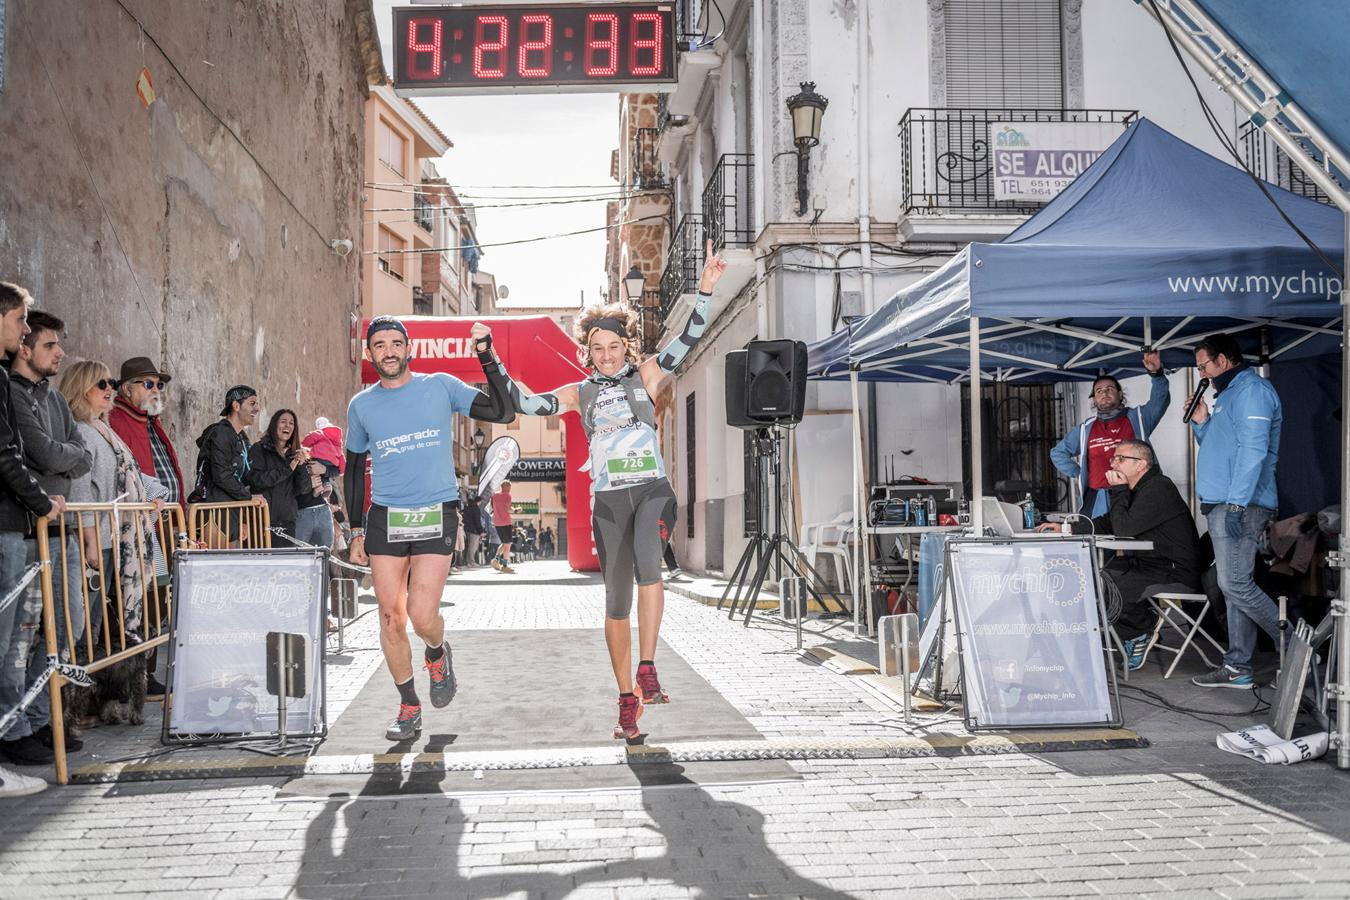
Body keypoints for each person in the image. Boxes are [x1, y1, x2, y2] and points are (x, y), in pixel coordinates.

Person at [479, 239, 726, 740]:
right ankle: (626, 701)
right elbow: (523, 402)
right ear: (586, 351)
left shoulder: (648, 375)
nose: (608, 356)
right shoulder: (579, 394)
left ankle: (649, 666)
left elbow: (689, 337)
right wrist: (490, 360)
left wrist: (703, 290)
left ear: (626, 347)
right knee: (616, 601)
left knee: (650, 568)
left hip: (652, 490)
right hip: (608, 502)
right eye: (598, 348)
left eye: (615, 347)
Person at [343, 315, 515, 741]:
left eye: (395, 343)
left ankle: (437, 654)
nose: (388, 351)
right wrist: (356, 532)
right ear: (370, 354)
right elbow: (350, 472)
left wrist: (486, 356)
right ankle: (408, 705)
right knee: (389, 618)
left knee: (421, 616)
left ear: (409, 348)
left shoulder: (439, 385)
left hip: (435, 512)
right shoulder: (361, 405)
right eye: (379, 344)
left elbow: (502, 409)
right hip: (385, 515)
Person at [6, 309, 91, 756]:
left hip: (65, 532)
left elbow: (82, 456)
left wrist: (62, 453)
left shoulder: (54, 398)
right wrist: (63, 454)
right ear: (25, 348)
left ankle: (40, 717)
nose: (59, 352)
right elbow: (39, 452)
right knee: (24, 633)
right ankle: (17, 725)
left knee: (68, 627)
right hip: (31, 531)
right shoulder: (13, 394)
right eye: (49, 345)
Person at [1038, 439, 1200, 669]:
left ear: (1141, 464)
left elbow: (1124, 527)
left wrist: (1119, 490)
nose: (1113, 463)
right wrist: (1068, 528)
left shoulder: (1158, 487)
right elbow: (1110, 522)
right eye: (1114, 458)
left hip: (1174, 571)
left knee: (1111, 584)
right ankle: (1132, 625)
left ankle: (1139, 631)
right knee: (1093, 577)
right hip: (1149, 565)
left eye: (1121, 459)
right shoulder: (1139, 489)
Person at [1186, 334, 1283, 689]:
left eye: (1204, 366)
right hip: (1222, 501)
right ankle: (1238, 666)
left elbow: (1254, 451)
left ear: (1224, 360)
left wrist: (1238, 502)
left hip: (1240, 503)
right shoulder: (1227, 396)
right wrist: (1201, 421)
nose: (1201, 373)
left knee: (1235, 583)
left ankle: (1302, 649)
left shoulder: (1252, 392)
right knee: (1233, 587)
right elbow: (1221, 446)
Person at [0, 283, 63, 779]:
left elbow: (72, 449)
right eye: (21, 321)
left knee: (30, 636)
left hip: (23, 525)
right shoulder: (7, 385)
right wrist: (43, 501)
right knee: (9, 640)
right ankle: (11, 734)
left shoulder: (40, 393)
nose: (23, 330)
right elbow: (20, 456)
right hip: (14, 524)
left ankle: (30, 725)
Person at [62, 360, 168, 652]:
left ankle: (94, 686)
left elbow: (128, 476)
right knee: (86, 622)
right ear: (82, 389)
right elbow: (81, 488)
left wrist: (148, 501)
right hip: (97, 538)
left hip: (113, 537)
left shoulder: (102, 428)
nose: (110, 389)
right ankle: (80, 689)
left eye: (111, 383)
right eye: (102, 384)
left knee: (99, 622)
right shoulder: (82, 432)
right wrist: (91, 542)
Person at [1050, 352, 1170, 518]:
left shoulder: (1139, 418)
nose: (1104, 393)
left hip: (1135, 495)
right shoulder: (1086, 428)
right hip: (1098, 499)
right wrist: (1080, 472)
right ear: (1094, 400)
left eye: (1109, 389)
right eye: (1098, 391)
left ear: (1121, 395)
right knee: (1098, 542)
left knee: (1135, 542)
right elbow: (1057, 453)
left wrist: (1156, 374)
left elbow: (1160, 400)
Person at [190, 385, 264, 547]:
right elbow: (221, 475)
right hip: (214, 511)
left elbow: (243, 478)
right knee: (216, 569)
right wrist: (248, 497)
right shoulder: (221, 433)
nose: (257, 408)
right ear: (236, 406)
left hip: (231, 512)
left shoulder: (240, 438)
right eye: (252, 403)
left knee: (229, 569)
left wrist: (243, 518)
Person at [109, 357, 185, 511]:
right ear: (127, 389)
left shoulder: (152, 421)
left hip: (167, 522)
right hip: (142, 522)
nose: (156, 390)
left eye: (159, 385)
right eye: (148, 384)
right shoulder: (114, 421)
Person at [247, 409, 311, 538]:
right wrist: (288, 468)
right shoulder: (258, 449)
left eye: (291, 423)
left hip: (287, 524)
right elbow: (257, 480)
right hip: (260, 522)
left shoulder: (295, 454)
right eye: (283, 422)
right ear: (274, 425)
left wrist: (301, 465)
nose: (288, 426)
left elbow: (304, 489)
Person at [489, 481, 515, 573]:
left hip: (497, 522)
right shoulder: (507, 495)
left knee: (504, 543)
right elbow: (509, 509)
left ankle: (496, 559)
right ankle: (504, 566)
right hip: (505, 522)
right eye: (509, 487)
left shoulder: (494, 495)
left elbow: (491, 507)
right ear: (506, 487)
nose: (510, 489)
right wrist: (516, 510)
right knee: (508, 544)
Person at [461, 491, 485, 567]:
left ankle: (467, 562)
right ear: (479, 501)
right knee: (473, 547)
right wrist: (481, 531)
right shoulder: (476, 509)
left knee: (467, 546)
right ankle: (471, 561)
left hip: (466, 529)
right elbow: (477, 521)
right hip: (474, 531)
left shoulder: (467, 507)